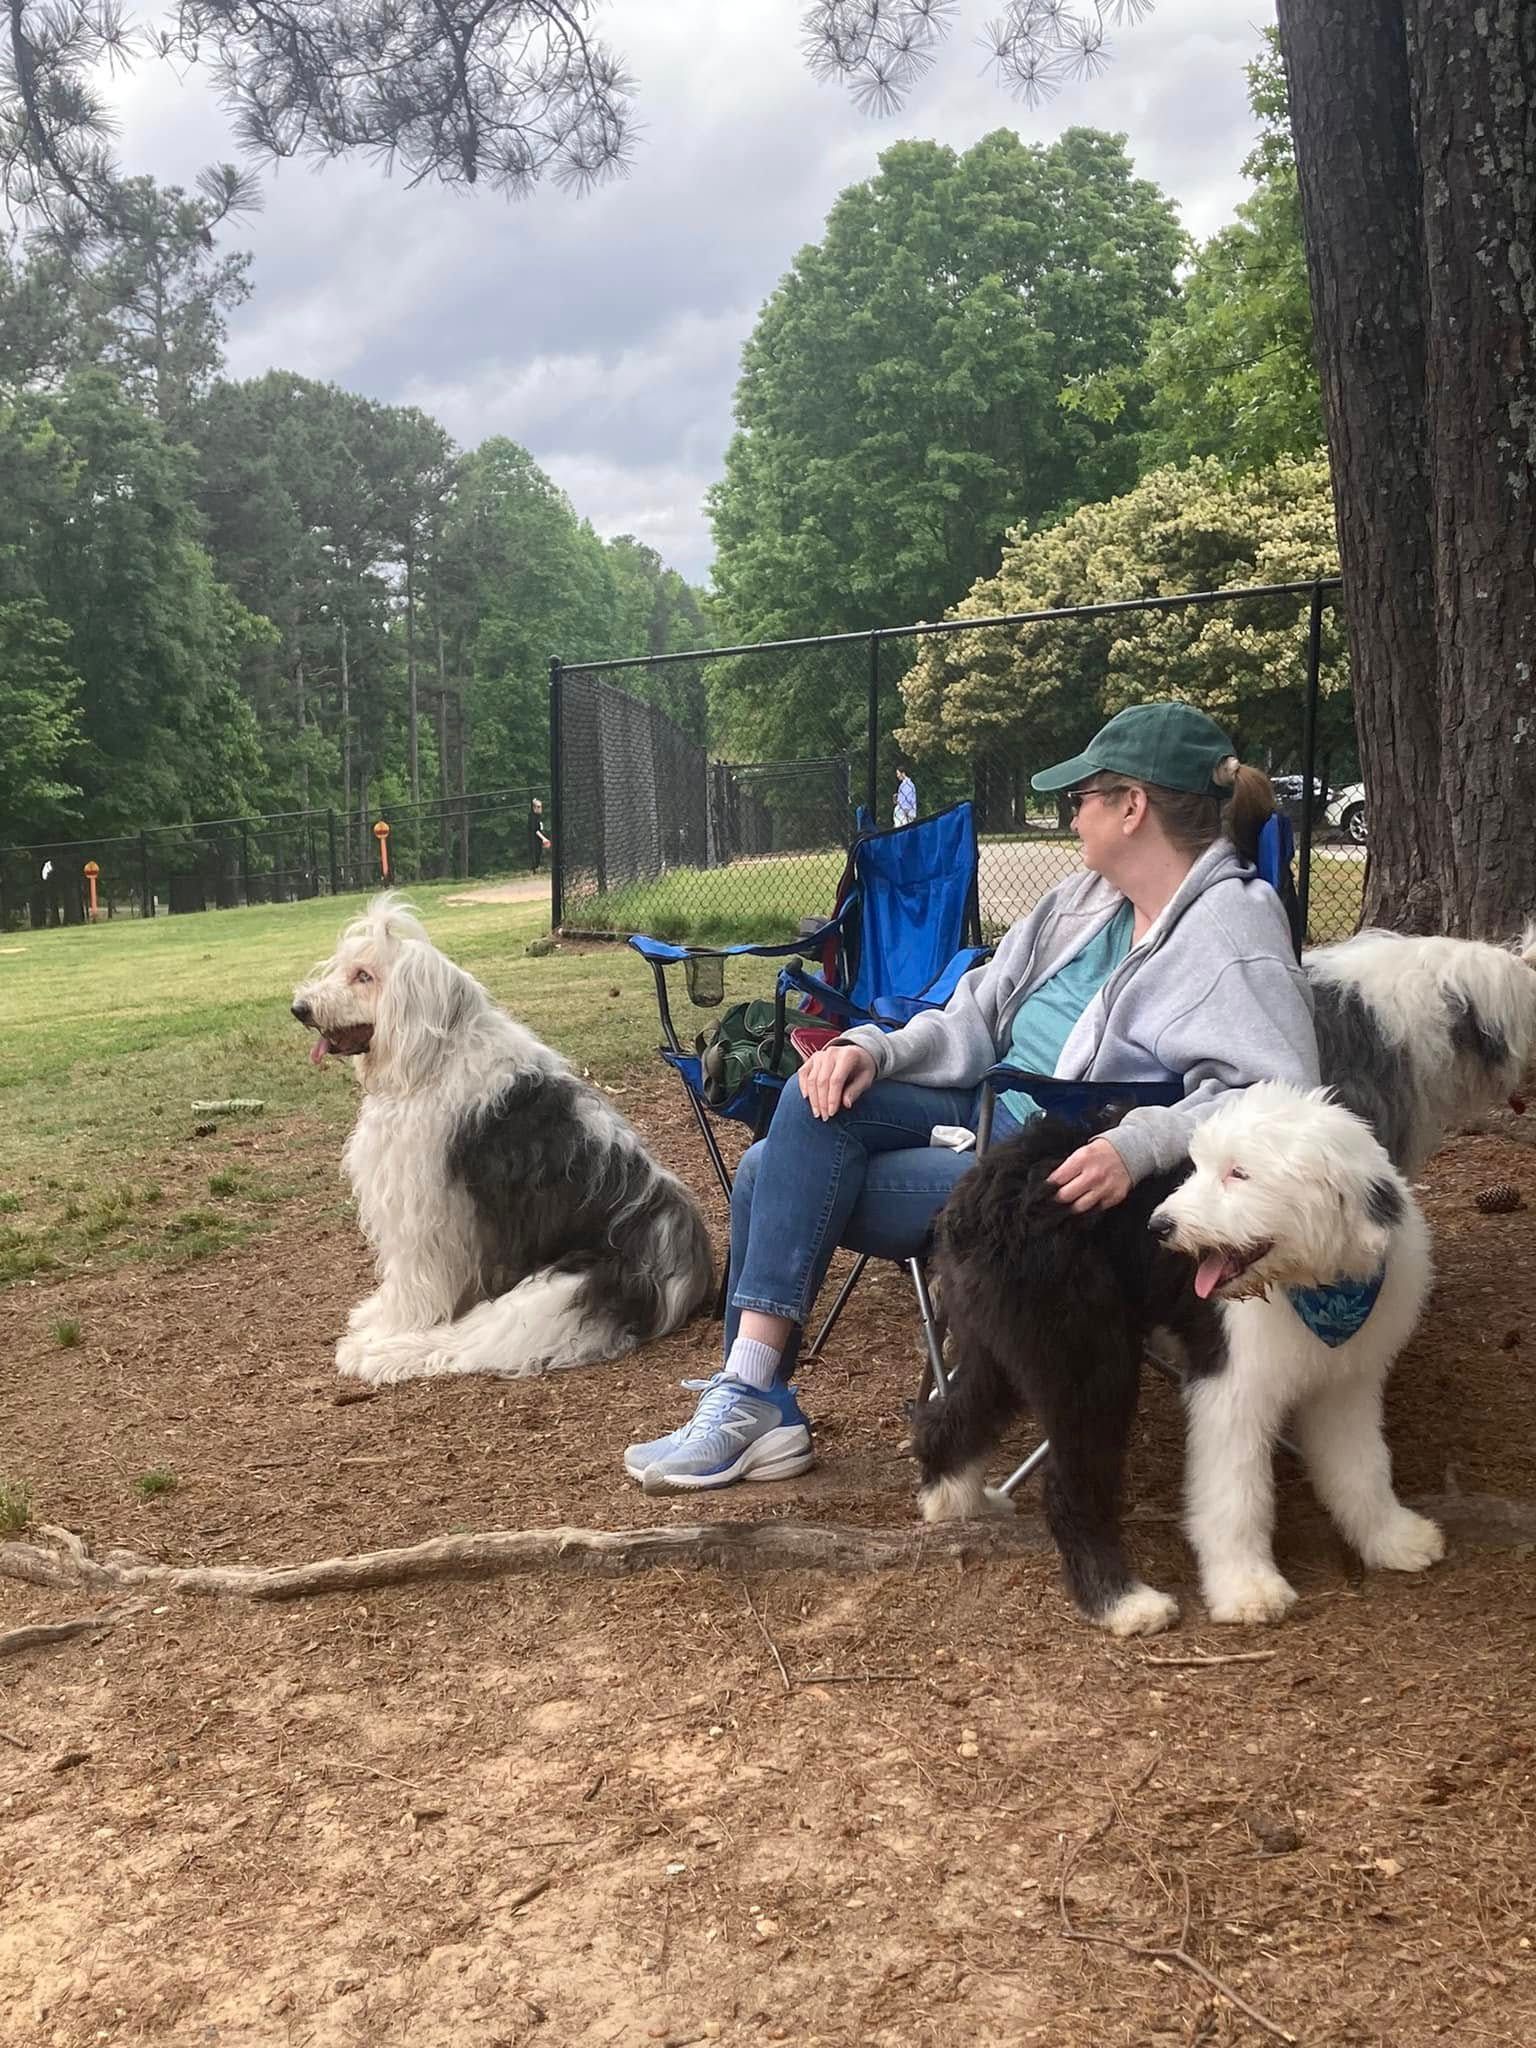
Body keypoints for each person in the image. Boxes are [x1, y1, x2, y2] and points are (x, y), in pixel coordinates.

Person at [624, 701, 1320, 1493]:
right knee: (810, 1099)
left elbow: (1278, 1091)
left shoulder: (1229, 932)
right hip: (987, 1114)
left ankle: (755, 1399)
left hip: (1057, 1177)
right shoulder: (1082, 903)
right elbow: (978, 1010)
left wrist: (1140, 1143)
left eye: (1083, 797)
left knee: (766, 1174)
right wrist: (871, 1046)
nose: (1071, 818)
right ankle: (752, 1396)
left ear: (1133, 807)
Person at [892, 759, 918, 829]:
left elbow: (907, 800)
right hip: (902, 814)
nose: (897, 776)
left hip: (904, 815)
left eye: (898, 773)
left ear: (903, 773)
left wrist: (906, 811)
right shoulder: (904, 784)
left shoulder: (907, 784)